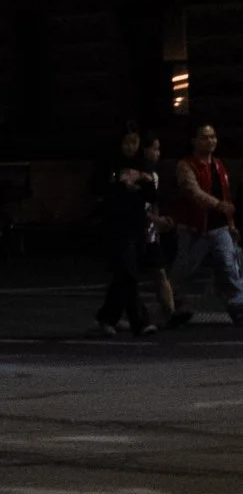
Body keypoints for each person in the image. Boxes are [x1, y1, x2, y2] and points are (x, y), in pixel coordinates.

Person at [171, 121, 243, 322]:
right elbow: (193, 192)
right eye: (204, 137)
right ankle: (174, 305)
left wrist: (231, 225)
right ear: (194, 141)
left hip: (218, 226)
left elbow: (226, 195)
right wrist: (219, 205)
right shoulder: (186, 165)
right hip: (194, 227)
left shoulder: (219, 165)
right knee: (184, 269)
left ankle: (238, 305)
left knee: (229, 266)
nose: (210, 141)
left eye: (212, 137)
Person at [95, 125, 157, 337]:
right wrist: (120, 185)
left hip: (136, 224)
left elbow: (152, 196)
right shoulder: (109, 165)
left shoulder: (142, 165)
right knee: (128, 272)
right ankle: (139, 320)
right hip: (116, 225)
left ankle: (107, 317)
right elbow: (99, 191)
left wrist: (144, 181)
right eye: (127, 142)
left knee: (124, 273)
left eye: (135, 142)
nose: (131, 147)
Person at [142, 133, 184, 325]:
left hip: (149, 231)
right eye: (154, 149)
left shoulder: (155, 175)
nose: (157, 154)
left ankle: (170, 310)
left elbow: (153, 203)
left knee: (159, 271)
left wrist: (158, 223)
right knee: (127, 275)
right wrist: (155, 219)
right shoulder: (135, 174)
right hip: (133, 230)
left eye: (158, 149)